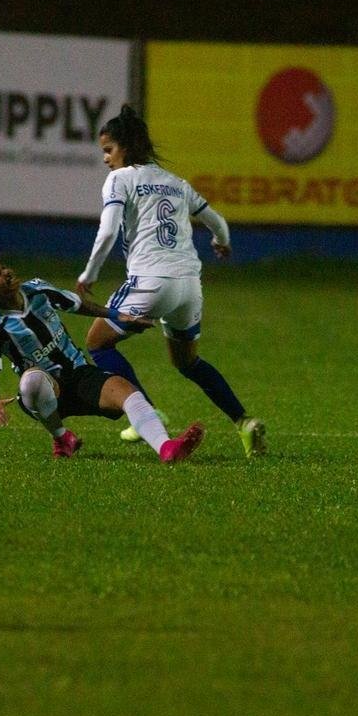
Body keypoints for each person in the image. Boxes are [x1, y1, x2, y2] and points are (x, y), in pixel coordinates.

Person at [76, 104, 266, 457]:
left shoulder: (120, 179)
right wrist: (221, 243)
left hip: (150, 282)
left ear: (126, 147)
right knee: (187, 362)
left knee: (98, 344)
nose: (105, 158)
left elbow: (108, 231)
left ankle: (147, 414)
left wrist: (90, 273)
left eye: (108, 150)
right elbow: (218, 223)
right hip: (189, 286)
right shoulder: (176, 183)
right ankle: (244, 422)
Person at [0, 258, 205, 463]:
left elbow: (77, 305)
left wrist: (119, 316)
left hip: (79, 374)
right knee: (31, 381)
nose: (6, 272)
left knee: (126, 391)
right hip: (46, 393)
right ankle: (61, 437)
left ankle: (167, 448)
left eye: (3, 267)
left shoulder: (37, 290)